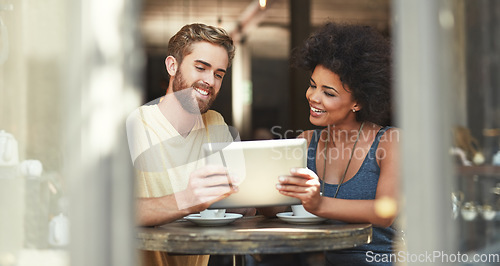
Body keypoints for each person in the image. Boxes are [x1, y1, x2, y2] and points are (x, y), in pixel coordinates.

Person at [126, 23, 254, 266]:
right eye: (201, 68)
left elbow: (238, 199)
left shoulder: (215, 124)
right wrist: (187, 200)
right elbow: (111, 211)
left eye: (218, 74)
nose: (210, 81)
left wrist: (246, 202)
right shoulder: (134, 126)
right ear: (172, 65)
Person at [274, 22, 400, 265]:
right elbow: (281, 209)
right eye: (312, 85)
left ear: (358, 102)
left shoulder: (389, 142)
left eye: (328, 93)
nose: (313, 97)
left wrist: (319, 203)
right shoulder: (305, 142)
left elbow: (386, 212)